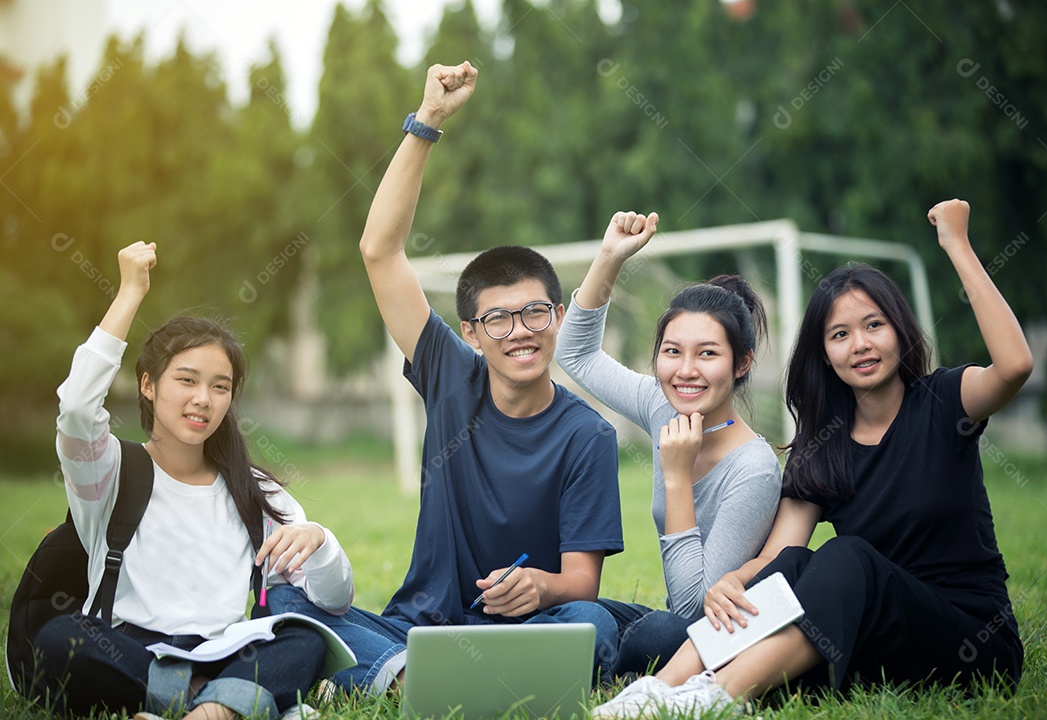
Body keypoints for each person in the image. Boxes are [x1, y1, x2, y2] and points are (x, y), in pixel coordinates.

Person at [591, 198, 1031, 717]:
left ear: (901, 330)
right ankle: (653, 695)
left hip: (971, 639)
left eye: (874, 326)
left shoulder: (944, 402)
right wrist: (735, 580)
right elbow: (779, 559)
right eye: (840, 335)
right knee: (797, 564)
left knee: (849, 556)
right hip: (878, 637)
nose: (860, 345)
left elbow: (1015, 365)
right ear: (824, 353)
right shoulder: (823, 446)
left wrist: (957, 244)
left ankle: (719, 696)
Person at [268, 60, 623, 694]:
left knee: (594, 625)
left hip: (528, 623)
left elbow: (582, 583)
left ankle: (399, 682)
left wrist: (540, 585)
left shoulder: (587, 434)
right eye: (498, 319)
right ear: (470, 332)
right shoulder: (449, 374)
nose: (519, 331)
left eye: (535, 312)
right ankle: (406, 674)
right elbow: (380, 249)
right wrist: (427, 120)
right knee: (286, 606)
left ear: (559, 316)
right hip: (420, 629)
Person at [33, 241, 355, 720]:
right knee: (61, 638)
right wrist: (128, 294)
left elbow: (335, 599)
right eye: (186, 379)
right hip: (130, 652)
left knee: (305, 637)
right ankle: (221, 701)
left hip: (228, 651)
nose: (203, 398)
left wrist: (321, 541)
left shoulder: (254, 491)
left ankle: (194, 705)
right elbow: (78, 407)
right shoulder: (108, 472)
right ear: (148, 384)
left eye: (219, 386)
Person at [555, 210, 781, 675]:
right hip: (669, 623)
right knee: (581, 618)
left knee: (660, 633)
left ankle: (609, 663)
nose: (685, 370)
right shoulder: (662, 405)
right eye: (672, 351)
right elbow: (575, 353)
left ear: (742, 364)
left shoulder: (753, 468)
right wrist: (610, 257)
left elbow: (693, 612)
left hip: (711, 638)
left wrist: (678, 478)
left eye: (708, 354)